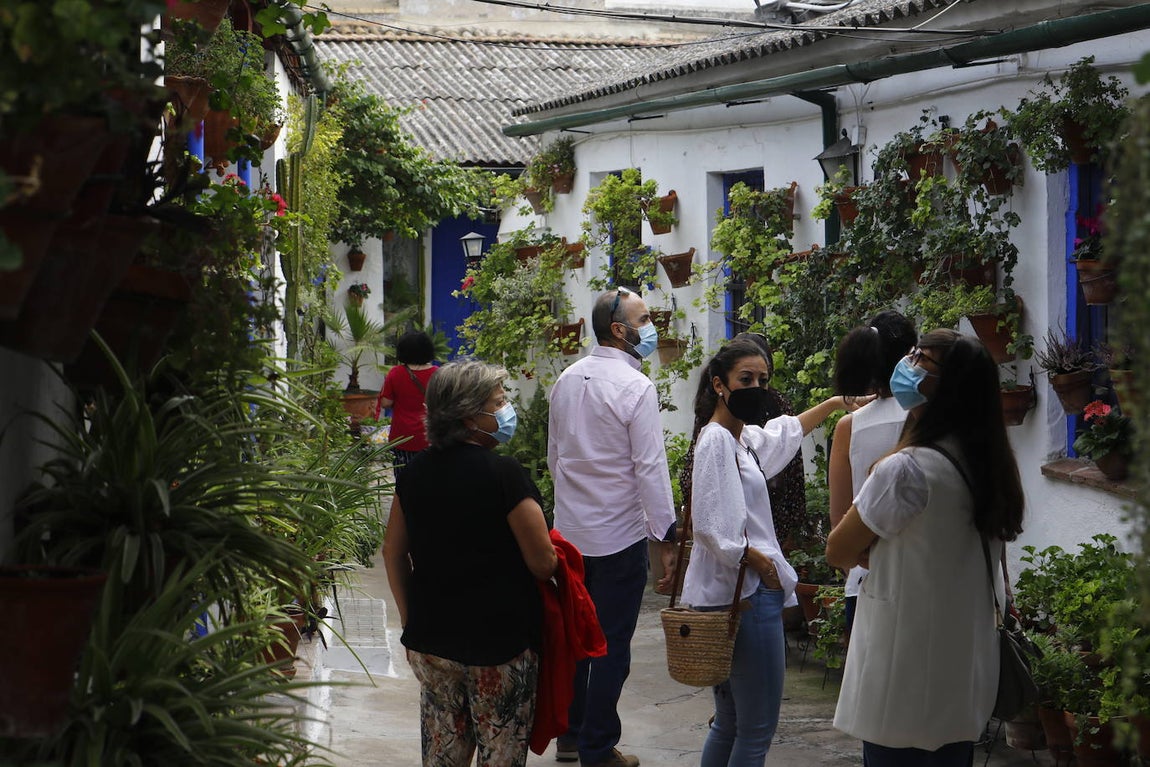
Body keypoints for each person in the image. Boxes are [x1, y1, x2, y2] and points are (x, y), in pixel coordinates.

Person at [827, 329, 1025, 767]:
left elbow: (838, 550)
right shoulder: (988, 466)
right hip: (961, 667)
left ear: (948, 386)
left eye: (922, 360)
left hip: (903, 673)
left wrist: (871, 548)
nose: (908, 364)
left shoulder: (906, 470)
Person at [683, 339, 867, 767]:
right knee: (756, 730)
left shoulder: (740, 439)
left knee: (730, 722)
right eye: (745, 379)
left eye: (763, 380)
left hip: (735, 593)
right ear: (719, 384)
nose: (756, 388)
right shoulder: (716, 440)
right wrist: (758, 562)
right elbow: (708, 524)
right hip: (747, 595)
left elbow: (784, 433)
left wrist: (835, 404)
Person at [382, 360, 558, 767]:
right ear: (468, 416)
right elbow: (542, 563)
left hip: (432, 641)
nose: (506, 410)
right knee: (500, 755)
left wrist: (410, 619)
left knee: (443, 754)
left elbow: (393, 551)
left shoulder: (415, 473)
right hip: (499, 645)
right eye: (498, 403)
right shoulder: (504, 474)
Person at [547, 286, 678, 767]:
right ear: (620, 330)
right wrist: (665, 535)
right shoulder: (635, 387)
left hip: (571, 534)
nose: (652, 328)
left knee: (577, 638)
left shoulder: (567, 379)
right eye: (644, 320)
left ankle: (571, 734)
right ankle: (598, 748)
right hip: (619, 537)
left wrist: (569, 510)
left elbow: (555, 456)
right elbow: (650, 467)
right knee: (610, 645)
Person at [827, 311, 917, 634]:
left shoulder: (850, 427)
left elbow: (839, 524)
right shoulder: (932, 419)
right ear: (911, 357)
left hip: (866, 581)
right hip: (926, 580)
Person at [374, 329, 437, 474]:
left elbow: (386, 403)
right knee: (429, 477)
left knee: (403, 477)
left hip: (402, 436)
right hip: (430, 435)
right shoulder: (437, 373)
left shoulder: (395, 373)